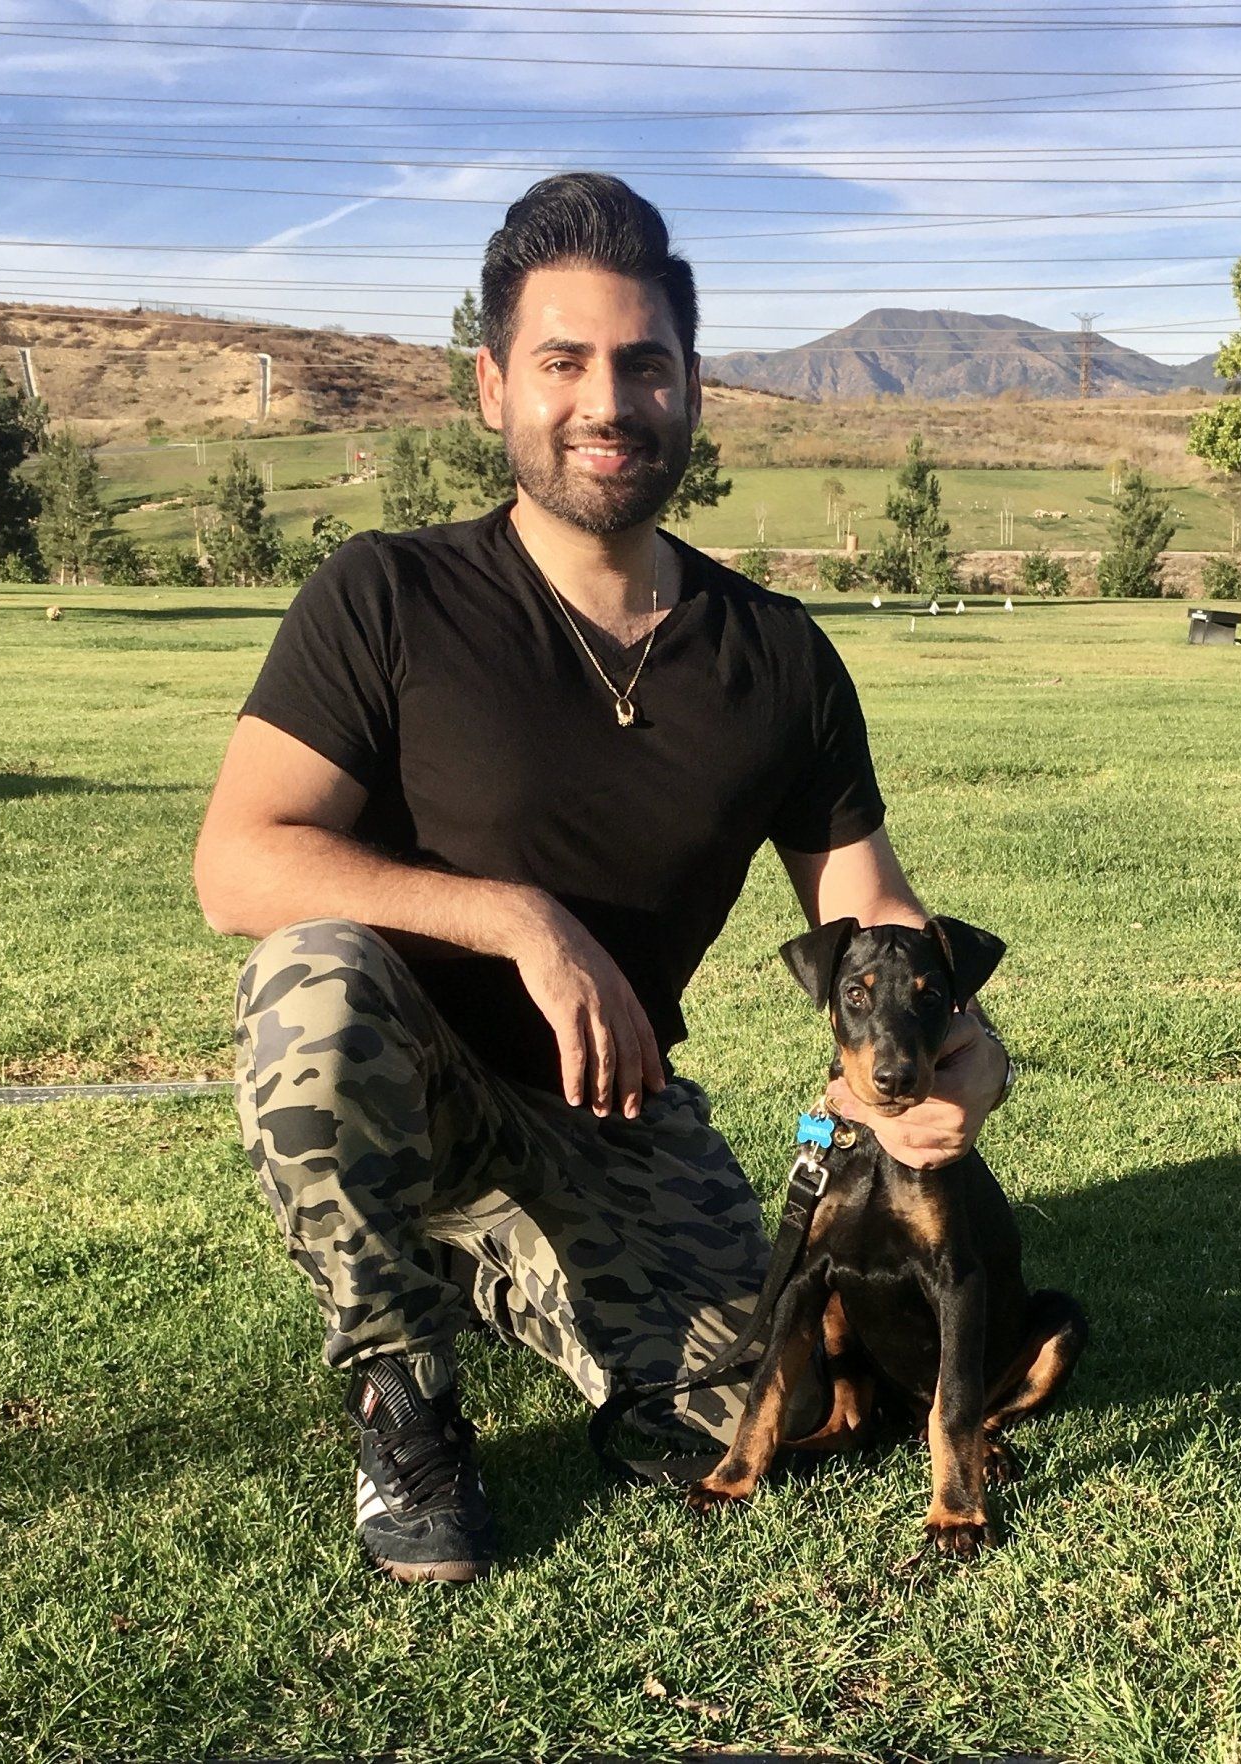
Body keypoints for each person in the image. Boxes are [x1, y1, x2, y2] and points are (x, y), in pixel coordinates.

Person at [194, 172, 1010, 1584]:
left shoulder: (777, 656)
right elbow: (238, 862)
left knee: (747, 1405)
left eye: (644, 364)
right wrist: (519, 919)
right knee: (309, 980)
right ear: (492, 383)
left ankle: (493, 1263)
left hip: (617, 1114)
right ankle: (406, 1396)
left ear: (692, 387)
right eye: (563, 362)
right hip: (413, 1077)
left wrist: (973, 1053)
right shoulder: (385, 596)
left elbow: (866, 906)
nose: (607, 402)